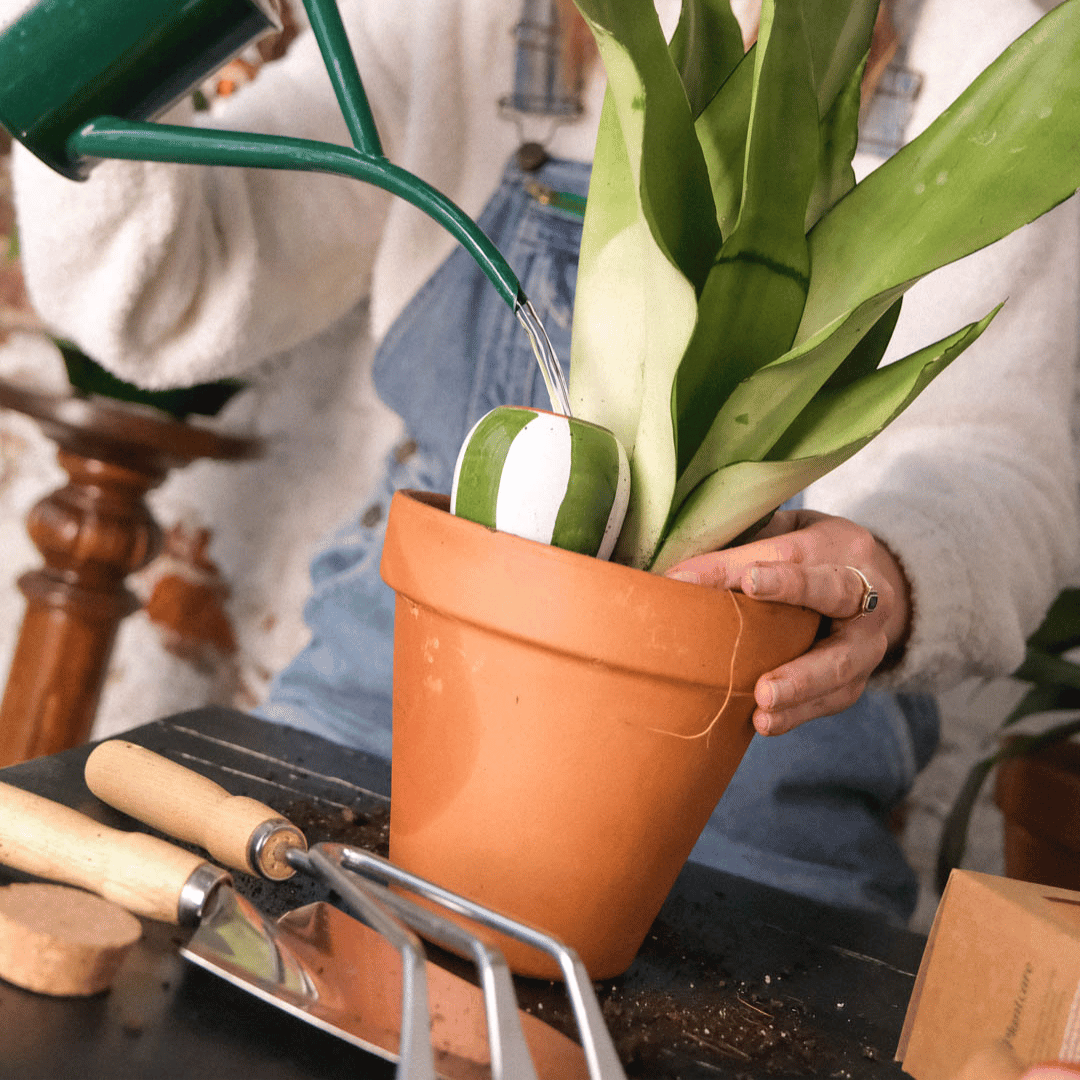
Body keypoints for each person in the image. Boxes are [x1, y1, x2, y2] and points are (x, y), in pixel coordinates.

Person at [7, 0, 1079, 923]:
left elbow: (1005, 462)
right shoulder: (465, 15)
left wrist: (893, 568)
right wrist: (94, 47)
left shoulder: (988, 46)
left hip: (746, 782)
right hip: (385, 715)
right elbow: (165, 294)